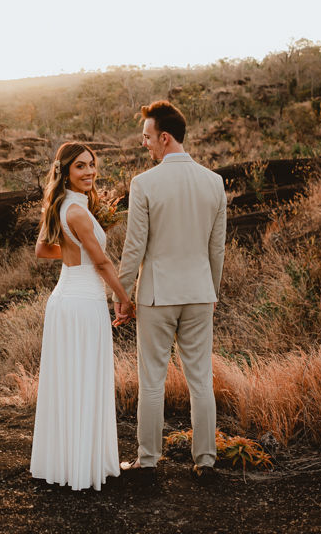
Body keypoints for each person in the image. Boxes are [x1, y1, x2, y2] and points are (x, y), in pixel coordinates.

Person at [113, 100, 227, 488]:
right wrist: (212, 289)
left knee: (151, 381)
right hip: (199, 293)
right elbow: (217, 248)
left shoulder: (145, 184)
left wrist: (122, 295)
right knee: (201, 380)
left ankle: (148, 462)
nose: (145, 144)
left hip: (157, 296)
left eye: (147, 138)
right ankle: (206, 461)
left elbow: (134, 247)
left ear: (164, 137)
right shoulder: (214, 182)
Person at [31, 142, 135, 491]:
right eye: (80, 166)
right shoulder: (75, 211)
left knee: (72, 381)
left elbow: (43, 249)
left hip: (69, 298)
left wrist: (74, 254)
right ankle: (82, 466)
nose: (89, 171)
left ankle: (69, 462)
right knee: (84, 379)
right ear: (65, 171)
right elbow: (103, 263)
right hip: (81, 303)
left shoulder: (64, 206)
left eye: (92, 164)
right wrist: (125, 299)